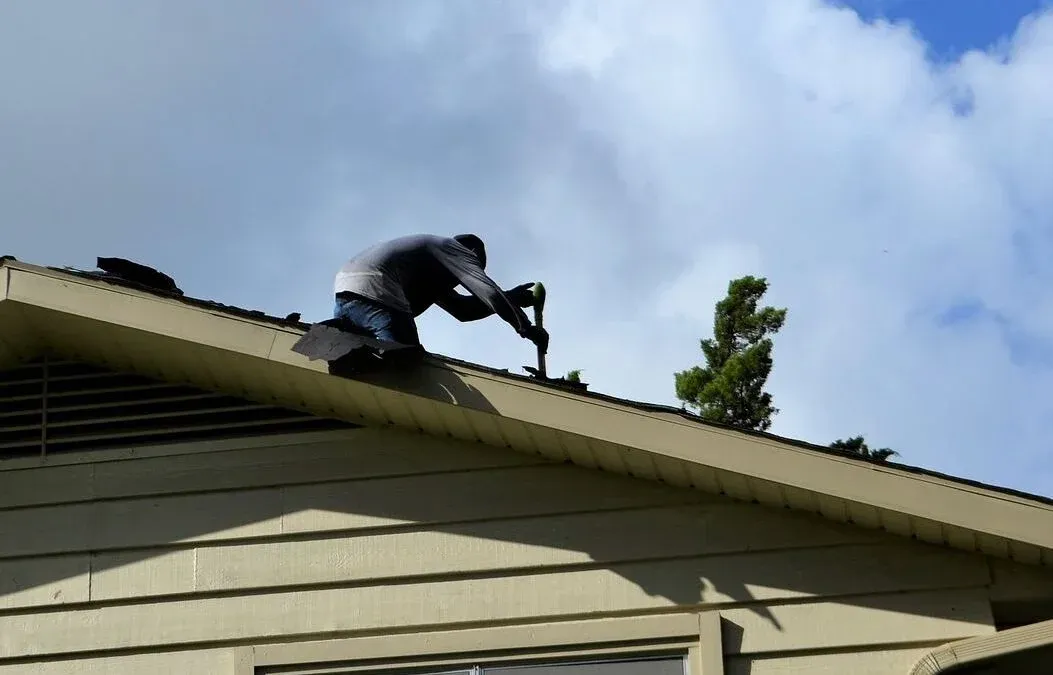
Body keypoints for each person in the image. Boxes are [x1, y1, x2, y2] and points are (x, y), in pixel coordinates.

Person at [332, 233, 549, 354]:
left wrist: (510, 298)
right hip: (378, 292)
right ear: (472, 254)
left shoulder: (427, 269)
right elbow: (490, 294)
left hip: (347, 296)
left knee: (361, 354)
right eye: (472, 268)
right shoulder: (455, 248)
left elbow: (462, 310)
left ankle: (342, 332)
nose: (460, 281)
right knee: (408, 360)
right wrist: (526, 327)